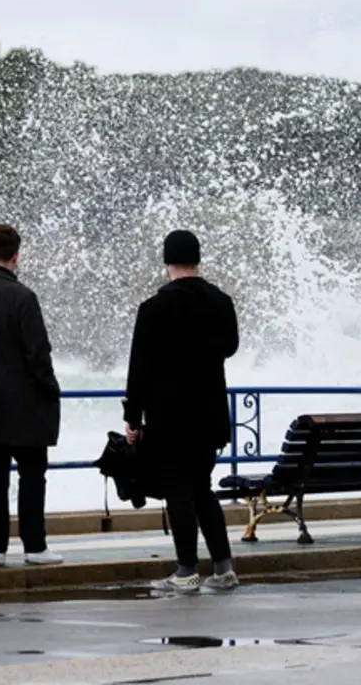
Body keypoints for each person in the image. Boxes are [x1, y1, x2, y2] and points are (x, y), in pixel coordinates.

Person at [124, 229, 239, 592]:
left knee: (178, 490)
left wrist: (133, 419)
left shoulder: (154, 308)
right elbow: (230, 347)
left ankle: (187, 571)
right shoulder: (221, 302)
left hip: (169, 417)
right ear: (197, 260)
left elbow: (138, 368)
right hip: (210, 416)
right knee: (202, 488)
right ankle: (223, 568)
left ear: (167, 262)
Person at [0, 224, 64, 569]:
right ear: (16, 256)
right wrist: (50, 389)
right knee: (32, 476)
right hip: (27, 405)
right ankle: (34, 546)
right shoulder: (23, 297)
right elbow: (38, 353)